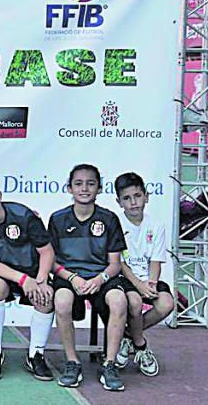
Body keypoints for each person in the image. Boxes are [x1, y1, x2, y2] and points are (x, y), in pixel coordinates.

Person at [0, 172, 55, 381]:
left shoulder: (24, 216)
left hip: (32, 273)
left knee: (46, 296)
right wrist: (23, 280)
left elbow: (47, 251)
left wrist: (40, 280)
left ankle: (36, 354)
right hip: (5, 276)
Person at [49, 164, 128, 392]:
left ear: (99, 188)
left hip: (101, 277)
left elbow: (115, 264)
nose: (84, 188)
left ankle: (109, 364)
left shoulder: (109, 219)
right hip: (70, 277)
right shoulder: (58, 219)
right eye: (79, 183)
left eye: (90, 183)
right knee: (62, 301)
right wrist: (72, 277)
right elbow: (51, 262)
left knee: (119, 301)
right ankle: (72, 362)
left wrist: (99, 279)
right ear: (69, 188)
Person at [113, 172, 174, 377]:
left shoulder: (156, 226)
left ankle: (127, 336)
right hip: (125, 278)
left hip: (147, 278)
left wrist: (152, 283)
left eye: (137, 196)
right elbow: (119, 263)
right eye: (127, 198)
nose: (133, 202)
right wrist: (139, 285)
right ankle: (140, 345)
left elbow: (155, 261)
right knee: (135, 303)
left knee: (166, 304)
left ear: (146, 196)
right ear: (119, 202)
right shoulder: (116, 224)